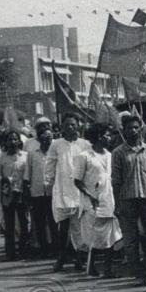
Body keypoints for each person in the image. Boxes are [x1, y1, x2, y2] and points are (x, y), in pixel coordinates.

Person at [112, 114, 146, 286]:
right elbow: (116, 181)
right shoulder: (118, 153)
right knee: (131, 239)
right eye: (129, 128)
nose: (133, 131)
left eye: (135, 127)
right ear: (123, 131)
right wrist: (117, 204)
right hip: (127, 199)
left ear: (140, 129)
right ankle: (138, 273)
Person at [74, 123, 122, 278]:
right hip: (91, 202)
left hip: (108, 200)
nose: (110, 138)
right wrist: (90, 195)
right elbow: (77, 181)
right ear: (100, 137)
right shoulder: (84, 156)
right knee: (93, 236)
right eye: (107, 135)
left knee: (110, 237)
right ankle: (91, 266)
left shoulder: (110, 155)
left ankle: (108, 269)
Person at [46, 114, 92, 272]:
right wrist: (49, 183)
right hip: (62, 190)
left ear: (78, 126)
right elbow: (50, 165)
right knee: (63, 228)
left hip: (80, 190)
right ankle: (61, 258)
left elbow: (90, 165)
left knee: (80, 228)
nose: (70, 127)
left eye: (73, 124)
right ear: (62, 127)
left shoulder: (85, 144)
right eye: (67, 125)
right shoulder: (56, 144)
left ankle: (80, 258)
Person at [23, 118, 56, 259]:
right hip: (37, 192)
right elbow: (27, 175)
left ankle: (55, 248)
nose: (46, 141)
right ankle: (43, 249)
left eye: (49, 139)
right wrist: (27, 193)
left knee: (53, 222)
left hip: (53, 192)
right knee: (39, 223)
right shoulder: (32, 152)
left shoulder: (55, 152)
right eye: (44, 139)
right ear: (39, 139)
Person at [0, 130, 29, 261]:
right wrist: (5, 180)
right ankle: (10, 253)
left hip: (21, 193)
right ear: (5, 142)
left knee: (24, 223)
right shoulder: (1, 158)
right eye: (10, 139)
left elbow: (28, 175)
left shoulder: (25, 156)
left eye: (15, 139)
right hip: (7, 194)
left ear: (19, 141)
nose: (12, 142)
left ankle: (24, 250)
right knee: (9, 224)